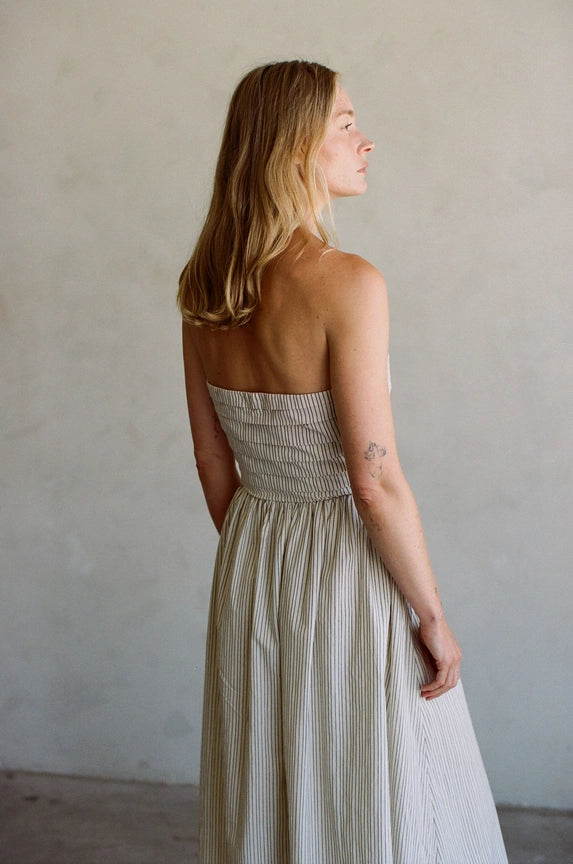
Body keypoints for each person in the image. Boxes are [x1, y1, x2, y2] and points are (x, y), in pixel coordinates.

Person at [178, 60, 508, 864]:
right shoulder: (348, 283)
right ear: (294, 146)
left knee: (272, 769)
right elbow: (373, 478)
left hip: (252, 553)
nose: (366, 141)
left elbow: (211, 457)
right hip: (345, 565)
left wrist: (262, 554)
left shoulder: (206, 286)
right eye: (346, 123)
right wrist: (431, 616)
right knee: (379, 774)